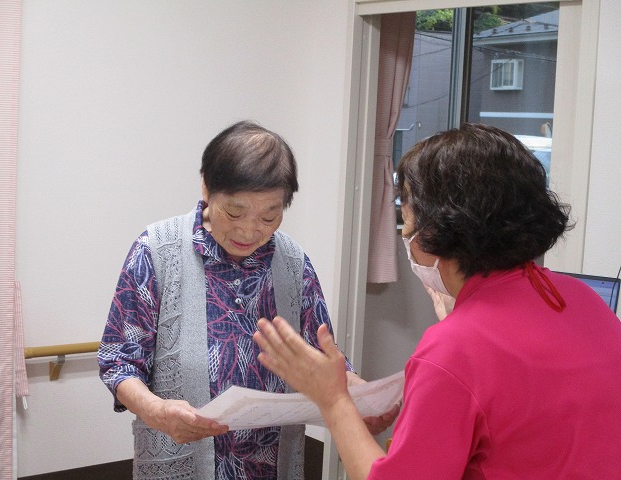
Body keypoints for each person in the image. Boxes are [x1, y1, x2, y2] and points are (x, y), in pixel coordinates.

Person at [253, 123, 621, 479]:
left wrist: (334, 401)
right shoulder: (582, 300)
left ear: (438, 231)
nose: (407, 235)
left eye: (408, 222)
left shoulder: (455, 348)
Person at [98, 120, 398, 480]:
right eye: (234, 212)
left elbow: (321, 356)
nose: (249, 230)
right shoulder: (156, 251)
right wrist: (156, 411)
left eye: (269, 216)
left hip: (272, 466)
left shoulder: (293, 263)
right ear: (207, 187)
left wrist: (360, 396)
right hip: (181, 463)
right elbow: (119, 362)